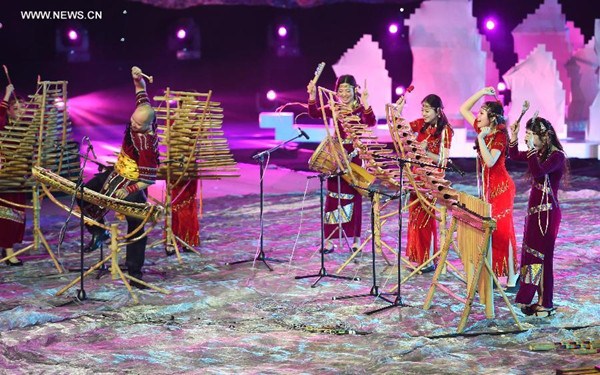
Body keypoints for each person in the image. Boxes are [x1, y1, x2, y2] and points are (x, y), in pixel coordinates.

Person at [80, 66, 159, 289]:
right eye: (132, 120)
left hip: (133, 183)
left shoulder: (146, 145)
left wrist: (131, 190)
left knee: (136, 227)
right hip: (116, 173)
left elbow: (149, 180)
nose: (132, 125)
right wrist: (136, 79)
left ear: (146, 126)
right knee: (83, 193)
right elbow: (141, 90)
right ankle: (99, 232)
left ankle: (135, 272)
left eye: (136, 125)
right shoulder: (143, 110)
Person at [307, 75, 376, 253]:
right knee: (333, 196)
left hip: (354, 157)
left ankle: (356, 239)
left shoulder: (361, 109)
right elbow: (314, 113)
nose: (344, 94)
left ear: (355, 90)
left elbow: (371, 122)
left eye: (348, 90)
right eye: (341, 90)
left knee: (355, 196)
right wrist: (313, 95)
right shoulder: (335, 108)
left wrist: (367, 103)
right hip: (336, 157)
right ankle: (329, 240)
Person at [459, 87, 519, 289]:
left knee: (504, 231)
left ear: (492, 118)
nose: (477, 116)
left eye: (482, 113)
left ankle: (512, 275)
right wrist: (482, 92)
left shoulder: (500, 137)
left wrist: (481, 140)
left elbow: (491, 162)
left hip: (502, 189)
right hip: (488, 189)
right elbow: (463, 108)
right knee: (492, 233)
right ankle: (494, 273)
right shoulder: (483, 131)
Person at [508, 116, 566, 316]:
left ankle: (545, 302)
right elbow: (514, 155)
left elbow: (539, 174)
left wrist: (532, 150)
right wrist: (513, 137)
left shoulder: (556, 156)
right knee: (532, 255)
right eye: (527, 134)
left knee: (544, 258)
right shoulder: (539, 153)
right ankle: (533, 298)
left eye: (531, 134)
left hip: (547, 215)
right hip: (535, 214)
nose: (528, 138)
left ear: (545, 136)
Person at [395, 94, 453, 272]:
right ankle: (419, 257)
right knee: (415, 218)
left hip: (431, 179)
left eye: (427, 110)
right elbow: (400, 130)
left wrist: (425, 152)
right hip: (416, 176)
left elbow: (443, 160)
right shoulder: (420, 124)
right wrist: (398, 111)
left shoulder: (445, 131)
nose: (424, 113)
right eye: (422, 109)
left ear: (437, 111)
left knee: (426, 219)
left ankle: (428, 259)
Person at [0, 84, 26, 266]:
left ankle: (7, 247)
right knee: (6, 214)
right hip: (6, 177)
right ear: (8, 112)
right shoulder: (4, 129)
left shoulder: (26, 130)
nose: (20, 111)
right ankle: (8, 251)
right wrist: (7, 94)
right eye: (15, 108)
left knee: (17, 214)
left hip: (20, 178)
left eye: (22, 107)